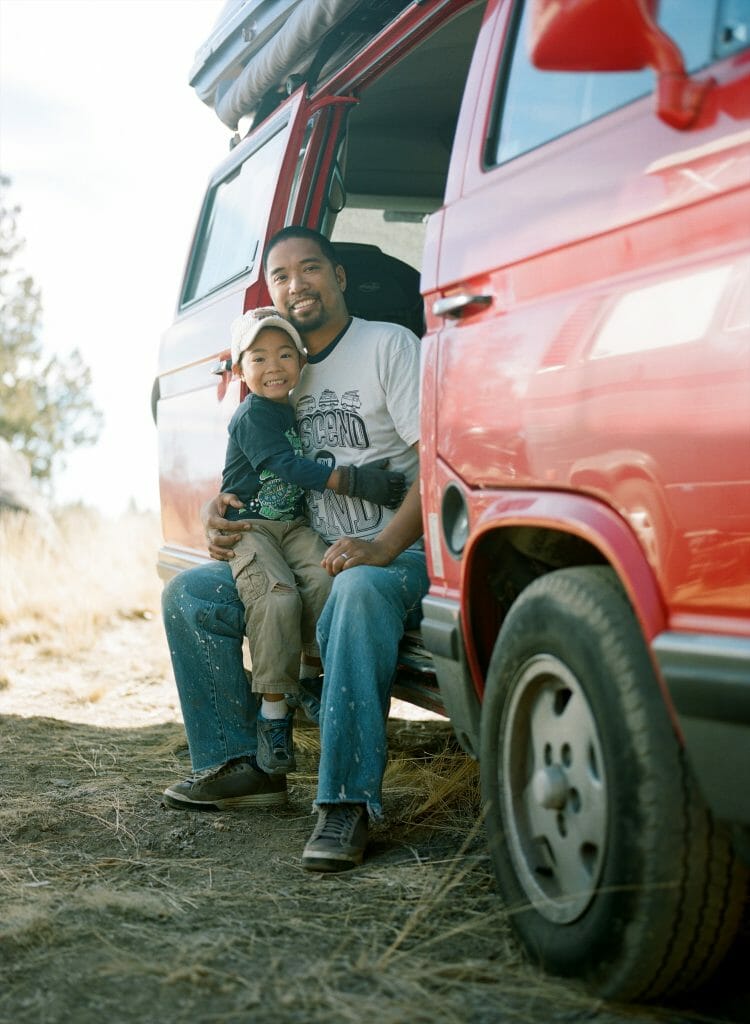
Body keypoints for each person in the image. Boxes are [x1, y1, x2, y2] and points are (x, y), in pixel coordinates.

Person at [162, 226, 428, 872]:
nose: (297, 284)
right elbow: (254, 467)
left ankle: (346, 802)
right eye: (281, 276)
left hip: (400, 549)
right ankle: (243, 766)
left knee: (357, 591)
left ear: (339, 277)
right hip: (307, 549)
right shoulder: (279, 371)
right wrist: (219, 510)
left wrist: (383, 545)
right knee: (192, 595)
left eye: (311, 268)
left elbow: (437, 463)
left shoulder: (388, 345)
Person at [219, 305, 406, 775]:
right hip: (252, 527)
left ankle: (309, 679)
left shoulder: (293, 408)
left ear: (302, 364)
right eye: (258, 359)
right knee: (279, 599)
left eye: (285, 354)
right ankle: (274, 715)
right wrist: (356, 482)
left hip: (295, 527)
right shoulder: (252, 416)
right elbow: (287, 466)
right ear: (240, 370)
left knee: (326, 582)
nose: (274, 366)